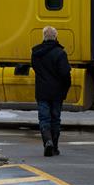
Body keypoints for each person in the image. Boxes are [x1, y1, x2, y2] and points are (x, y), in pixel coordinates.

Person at [31, 26, 71, 157]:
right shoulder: (60, 53)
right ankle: (55, 146)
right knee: (55, 118)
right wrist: (66, 88)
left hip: (42, 91)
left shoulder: (36, 53)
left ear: (43, 36)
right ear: (55, 36)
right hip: (57, 92)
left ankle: (47, 141)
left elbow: (36, 70)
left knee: (44, 118)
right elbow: (65, 73)